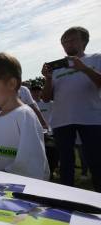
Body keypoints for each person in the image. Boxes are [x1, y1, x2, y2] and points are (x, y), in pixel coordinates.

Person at [41, 26, 101, 191]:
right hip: (62, 120)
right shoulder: (58, 67)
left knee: (96, 161)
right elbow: (46, 98)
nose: (67, 44)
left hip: (90, 119)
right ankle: (67, 197)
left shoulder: (95, 58)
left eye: (72, 40)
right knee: (66, 163)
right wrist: (47, 78)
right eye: (64, 42)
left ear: (84, 41)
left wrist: (84, 68)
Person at [30, 85, 58, 179]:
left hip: (49, 133)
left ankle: (52, 170)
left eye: (38, 91)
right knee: (39, 153)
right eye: (33, 91)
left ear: (41, 92)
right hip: (35, 133)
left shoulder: (50, 103)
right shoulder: (28, 106)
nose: (36, 93)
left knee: (51, 153)